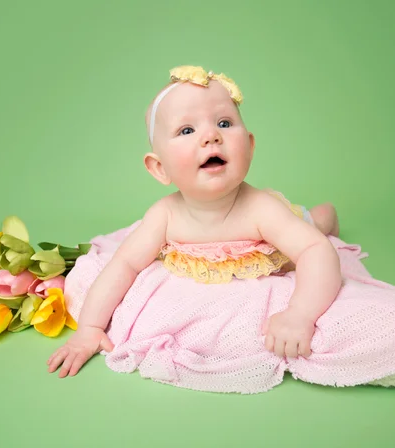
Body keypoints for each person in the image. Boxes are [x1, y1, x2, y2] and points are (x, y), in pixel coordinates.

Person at [47, 65, 342, 378]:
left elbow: (315, 250)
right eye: (187, 130)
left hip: (274, 248)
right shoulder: (164, 216)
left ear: (250, 147)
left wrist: (300, 314)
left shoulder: (262, 209)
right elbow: (124, 265)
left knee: (313, 226)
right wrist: (90, 328)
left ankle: (326, 216)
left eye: (224, 123)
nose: (211, 136)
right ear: (160, 168)